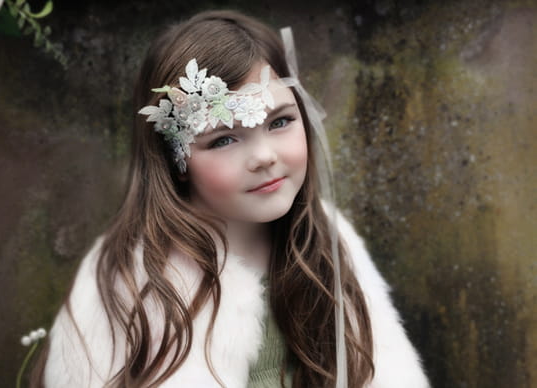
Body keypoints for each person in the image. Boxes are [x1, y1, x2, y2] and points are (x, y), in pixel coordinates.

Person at [34, 10, 429, 388]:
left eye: (280, 122)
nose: (263, 157)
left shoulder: (328, 242)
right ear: (179, 159)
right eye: (223, 139)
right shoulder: (128, 282)